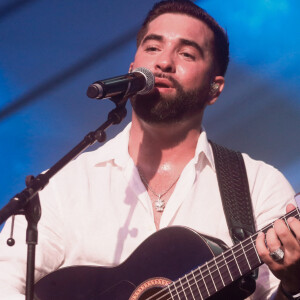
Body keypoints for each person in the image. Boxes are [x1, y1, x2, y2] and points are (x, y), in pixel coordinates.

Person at [0, 0, 299, 299]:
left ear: (214, 88)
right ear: (132, 69)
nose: (163, 63)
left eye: (186, 53)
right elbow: (6, 283)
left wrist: (294, 285)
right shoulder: (62, 187)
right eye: (153, 48)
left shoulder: (258, 186)